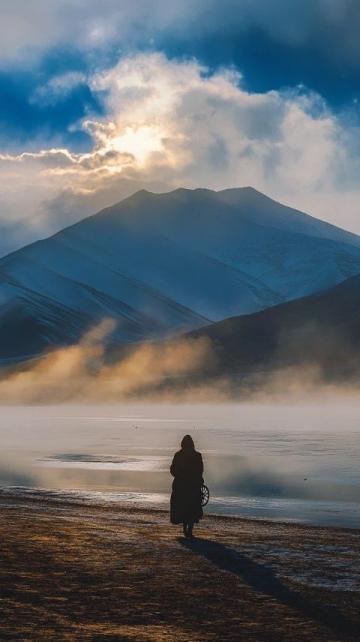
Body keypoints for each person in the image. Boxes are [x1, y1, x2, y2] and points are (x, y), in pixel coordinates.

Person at [170, 434, 204, 538]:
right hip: (193, 485)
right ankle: (190, 529)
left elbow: (173, 470)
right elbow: (200, 471)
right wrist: (198, 480)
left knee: (183, 507)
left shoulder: (178, 455)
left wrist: (180, 475)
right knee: (192, 507)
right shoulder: (197, 455)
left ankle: (185, 529)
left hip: (180, 486)